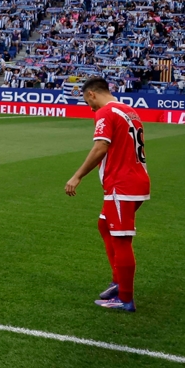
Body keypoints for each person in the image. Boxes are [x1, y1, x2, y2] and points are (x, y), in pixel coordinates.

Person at [64, 77, 150, 311]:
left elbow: (101, 146)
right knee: (104, 225)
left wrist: (77, 176)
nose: (90, 108)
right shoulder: (128, 110)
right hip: (135, 179)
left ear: (92, 94)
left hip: (122, 184)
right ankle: (118, 281)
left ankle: (125, 298)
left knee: (121, 239)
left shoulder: (105, 112)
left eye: (87, 102)